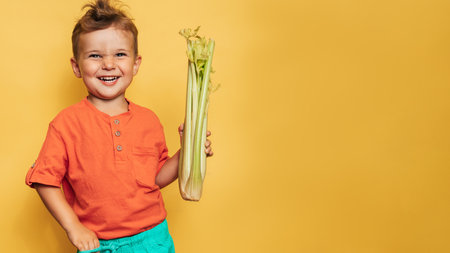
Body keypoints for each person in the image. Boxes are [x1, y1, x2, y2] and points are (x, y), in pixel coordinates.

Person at [25, 0, 213, 252]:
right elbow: (44, 180)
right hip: (100, 244)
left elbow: (155, 178)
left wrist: (187, 151)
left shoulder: (149, 120)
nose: (109, 64)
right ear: (76, 67)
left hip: (154, 239)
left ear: (136, 64)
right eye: (95, 56)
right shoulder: (65, 124)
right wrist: (73, 227)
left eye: (120, 54)